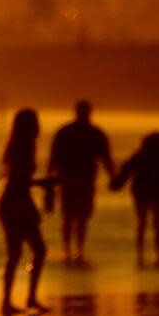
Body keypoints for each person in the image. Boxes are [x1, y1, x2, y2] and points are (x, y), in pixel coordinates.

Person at [0, 109, 54, 315]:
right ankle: (21, 299)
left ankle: (14, 300)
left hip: (15, 201)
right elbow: (17, 180)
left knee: (18, 253)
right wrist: (43, 183)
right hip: (16, 202)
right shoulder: (23, 147)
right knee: (34, 250)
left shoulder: (17, 146)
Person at [47, 100, 114, 262]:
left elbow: (53, 158)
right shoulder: (93, 133)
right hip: (76, 179)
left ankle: (71, 249)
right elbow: (105, 159)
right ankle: (74, 249)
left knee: (72, 216)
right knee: (75, 216)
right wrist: (113, 177)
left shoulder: (66, 131)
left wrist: (50, 181)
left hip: (73, 179)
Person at [110, 132, 159, 268]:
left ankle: (140, 254)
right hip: (157, 191)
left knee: (142, 222)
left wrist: (116, 184)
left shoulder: (140, 155)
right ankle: (158, 253)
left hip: (140, 191)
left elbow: (126, 170)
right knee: (157, 224)